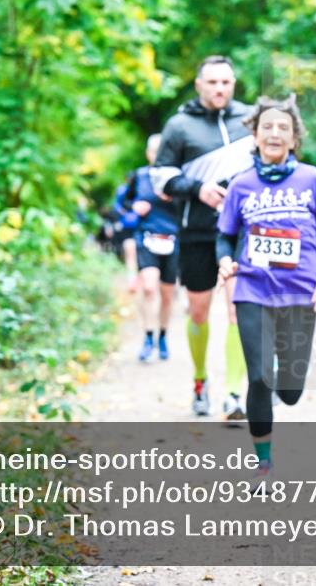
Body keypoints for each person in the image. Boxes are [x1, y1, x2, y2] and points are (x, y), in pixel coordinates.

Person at [216, 95, 316, 484]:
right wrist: (224, 261)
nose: (274, 133)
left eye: (282, 127)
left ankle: (279, 390)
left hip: (300, 292)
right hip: (252, 289)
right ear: (254, 134)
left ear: (294, 137)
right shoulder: (240, 185)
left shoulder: (313, 179)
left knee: (289, 390)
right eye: (266, 126)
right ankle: (263, 461)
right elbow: (224, 237)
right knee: (258, 378)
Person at [154, 56, 254, 417]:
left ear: (233, 84)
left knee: (237, 309)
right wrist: (198, 188)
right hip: (196, 231)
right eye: (212, 82)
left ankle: (233, 394)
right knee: (199, 311)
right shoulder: (180, 126)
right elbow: (160, 177)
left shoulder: (250, 120)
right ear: (199, 85)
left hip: (241, 232)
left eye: (226, 82)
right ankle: (200, 380)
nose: (220, 89)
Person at [117, 134, 180, 362]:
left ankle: (162, 336)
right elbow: (122, 202)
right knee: (149, 288)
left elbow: (190, 203)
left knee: (166, 295)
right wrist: (134, 206)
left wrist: (172, 198)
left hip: (173, 239)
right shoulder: (139, 176)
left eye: (162, 150)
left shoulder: (177, 177)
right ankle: (147, 337)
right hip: (147, 237)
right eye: (154, 150)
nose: (157, 154)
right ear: (148, 153)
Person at [111, 177, 142, 293]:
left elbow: (116, 206)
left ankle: (134, 280)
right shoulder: (124, 190)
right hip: (130, 228)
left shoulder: (137, 190)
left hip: (138, 227)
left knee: (133, 255)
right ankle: (132, 280)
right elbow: (117, 206)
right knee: (131, 254)